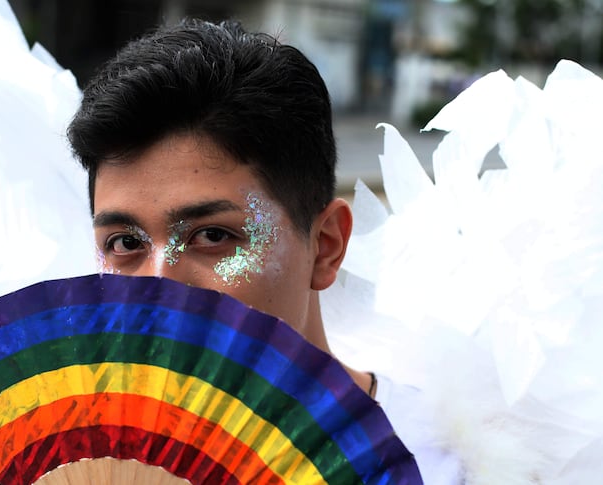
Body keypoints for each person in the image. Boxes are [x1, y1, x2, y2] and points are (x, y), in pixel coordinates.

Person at [67, 18, 459, 483]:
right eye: (125, 243)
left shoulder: (448, 462)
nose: (159, 290)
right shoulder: (81, 464)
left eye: (211, 236)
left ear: (326, 247)